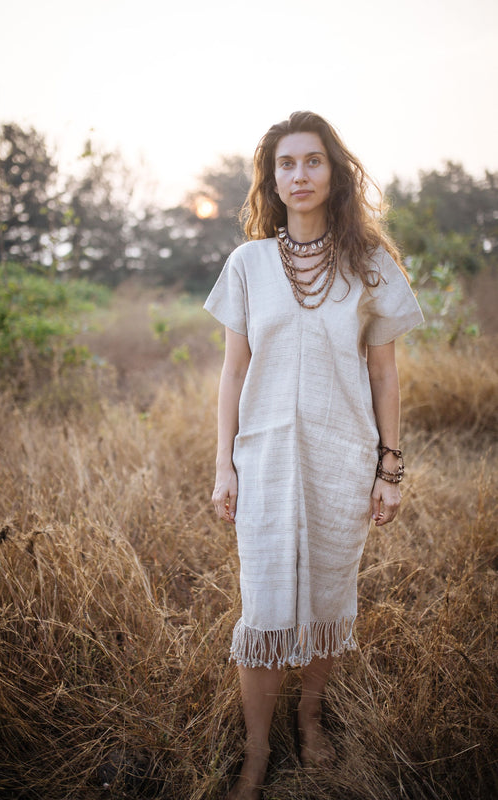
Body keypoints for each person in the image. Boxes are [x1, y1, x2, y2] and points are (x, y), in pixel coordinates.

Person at [203, 111, 423, 800]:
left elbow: (383, 375)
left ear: (335, 174)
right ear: (271, 179)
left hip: (341, 458)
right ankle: (257, 751)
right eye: (285, 164)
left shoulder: (369, 266)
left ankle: (310, 719)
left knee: (328, 599)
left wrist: (389, 469)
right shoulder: (248, 264)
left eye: (311, 162)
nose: (298, 175)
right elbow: (232, 373)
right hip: (263, 462)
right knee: (265, 608)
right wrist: (222, 464)